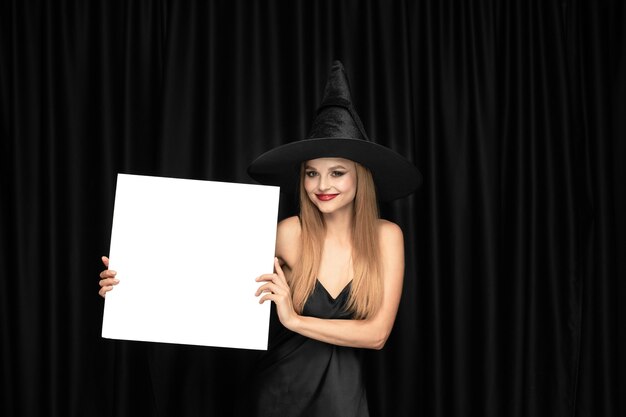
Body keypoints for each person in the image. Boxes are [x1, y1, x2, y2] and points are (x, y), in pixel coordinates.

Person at [99, 60, 422, 416]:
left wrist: (294, 319)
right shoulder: (288, 232)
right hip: (275, 395)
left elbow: (376, 335)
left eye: (337, 173)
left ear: (361, 178)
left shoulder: (386, 236)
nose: (322, 185)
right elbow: (208, 278)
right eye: (311, 173)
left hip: (344, 401)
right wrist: (130, 282)